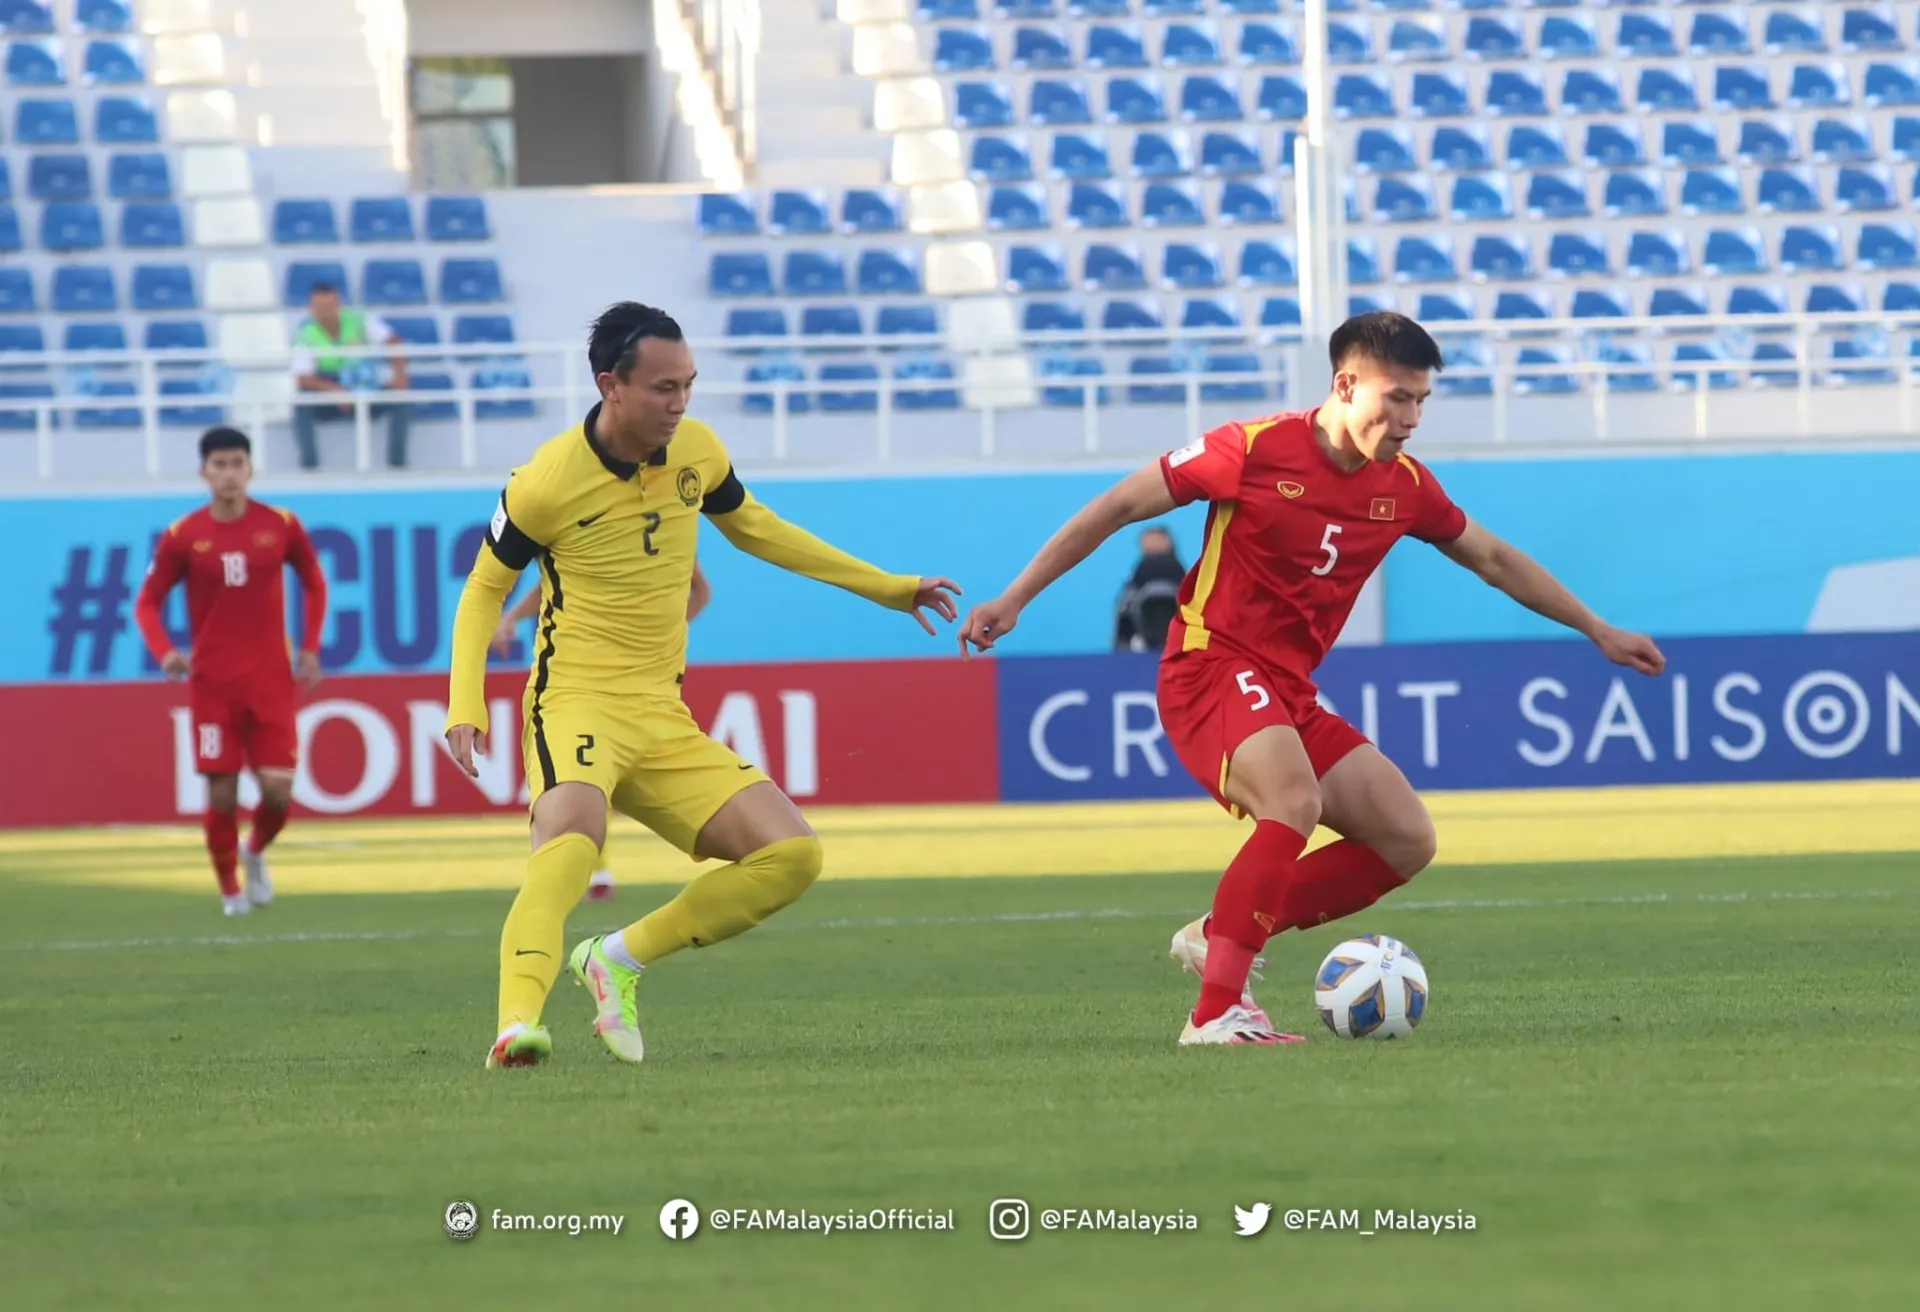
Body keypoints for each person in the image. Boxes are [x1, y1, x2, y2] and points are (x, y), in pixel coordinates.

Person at [958, 312, 1665, 1047]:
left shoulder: (1408, 487)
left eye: (1422, 401)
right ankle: (1214, 1015)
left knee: (1404, 839)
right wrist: (1014, 598)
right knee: (1293, 800)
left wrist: (1597, 628)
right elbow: (1116, 508)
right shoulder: (1251, 450)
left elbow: (1493, 558)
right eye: (1398, 398)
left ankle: (1220, 932)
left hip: (1286, 686)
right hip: (1210, 663)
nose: (1411, 419)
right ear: (1346, 383)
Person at [444, 301, 960, 1070]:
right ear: (609, 385)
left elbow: (757, 528)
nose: (679, 404)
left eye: (688, 385)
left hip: (662, 713)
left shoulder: (698, 452)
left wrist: (887, 588)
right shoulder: (545, 483)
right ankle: (515, 1025)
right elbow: (485, 589)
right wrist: (464, 703)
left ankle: (617, 958)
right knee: (570, 840)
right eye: (662, 389)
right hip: (575, 700)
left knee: (791, 856)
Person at [134, 427, 329, 916]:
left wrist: (309, 647)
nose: (228, 474)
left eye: (237, 463)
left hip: (271, 682)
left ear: (250, 468)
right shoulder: (184, 536)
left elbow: (315, 582)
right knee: (222, 794)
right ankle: (230, 891)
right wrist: (165, 653)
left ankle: (255, 851)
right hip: (214, 686)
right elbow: (147, 602)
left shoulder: (281, 524)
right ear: (204, 471)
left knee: (278, 793)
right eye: (218, 465)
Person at [489, 559, 714, 901]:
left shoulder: (669, 520)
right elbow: (549, 585)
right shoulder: (582, 529)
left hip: (639, 684)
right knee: (583, 779)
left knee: (591, 781)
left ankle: (575, 868)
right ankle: (589, 871)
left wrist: (667, 635)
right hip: (582, 680)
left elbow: (700, 591)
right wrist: (511, 618)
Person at [289, 282, 412, 471]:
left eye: (329, 306)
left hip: (366, 384)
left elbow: (393, 341)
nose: (325, 312)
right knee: (301, 402)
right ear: (312, 308)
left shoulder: (359, 320)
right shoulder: (306, 333)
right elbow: (303, 377)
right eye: (319, 307)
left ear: (338, 304)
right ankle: (309, 465)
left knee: (401, 398)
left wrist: (400, 375)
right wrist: (335, 391)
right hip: (331, 391)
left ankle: (397, 463)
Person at [1114, 524, 1185, 652]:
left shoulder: (1177, 569)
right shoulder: (1139, 571)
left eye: (1157, 539)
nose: (1152, 543)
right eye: (1148, 539)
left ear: (1168, 541)